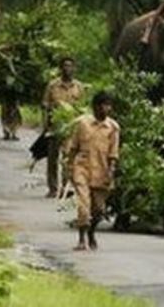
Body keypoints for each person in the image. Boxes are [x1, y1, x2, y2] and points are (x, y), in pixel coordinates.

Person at [66, 91, 120, 251]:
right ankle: (81, 239)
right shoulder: (83, 124)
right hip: (82, 168)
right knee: (84, 205)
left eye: (109, 105)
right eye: (103, 105)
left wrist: (111, 171)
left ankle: (91, 233)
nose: (107, 109)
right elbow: (73, 147)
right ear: (95, 107)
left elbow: (113, 153)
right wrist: (69, 167)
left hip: (102, 171)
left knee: (99, 209)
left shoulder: (113, 128)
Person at [41, 57, 86, 198]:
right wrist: (45, 124)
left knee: (68, 158)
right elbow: (45, 105)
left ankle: (66, 187)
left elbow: (82, 108)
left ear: (74, 69)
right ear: (60, 68)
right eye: (65, 66)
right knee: (52, 159)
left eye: (70, 66)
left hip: (71, 128)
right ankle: (52, 188)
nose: (68, 69)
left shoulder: (79, 87)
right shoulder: (52, 86)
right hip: (55, 126)